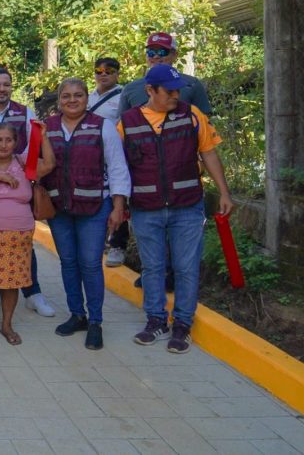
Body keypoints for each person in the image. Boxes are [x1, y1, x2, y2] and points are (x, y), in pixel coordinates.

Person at [121, 65, 233, 354]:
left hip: (187, 206)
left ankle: (182, 324)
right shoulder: (127, 123)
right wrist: (118, 206)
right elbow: (119, 168)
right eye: (168, 91)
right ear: (150, 91)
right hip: (146, 208)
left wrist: (223, 192)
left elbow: (208, 152)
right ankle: (156, 320)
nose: (175, 95)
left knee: (186, 268)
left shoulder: (192, 115)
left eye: (177, 90)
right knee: (153, 268)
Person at [42, 78, 130, 350]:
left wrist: (118, 206)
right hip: (59, 208)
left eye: (77, 95)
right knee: (68, 262)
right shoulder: (47, 128)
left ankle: (96, 322)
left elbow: (117, 167)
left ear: (86, 98)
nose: (72, 100)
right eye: (66, 96)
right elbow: (37, 162)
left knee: (90, 263)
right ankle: (76, 314)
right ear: (59, 100)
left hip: (94, 206)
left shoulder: (103, 126)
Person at [0, 67, 56, 318]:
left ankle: (33, 292)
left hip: (19, 173)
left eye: (6, 84)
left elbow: (35, 144)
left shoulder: (24, 111)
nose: (1, 89)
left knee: (24, 247)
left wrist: (24, 168)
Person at [0, 122, 55, 346]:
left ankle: (7, 324)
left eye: (9, 140)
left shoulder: (23, 162)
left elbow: (49, 164)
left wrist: (43, 137)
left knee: (12, 281)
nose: (4, 144)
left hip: (19, 234)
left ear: (16, 143)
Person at [87, 58, 128, 268]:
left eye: (109, 71)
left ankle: (117, 245)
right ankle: (103, 238)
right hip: (89, 157)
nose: (103, 74)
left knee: (117, 199)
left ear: (117, 74)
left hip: (114, 155)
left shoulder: (124, 96)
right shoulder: (88, 96)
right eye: (99, 70)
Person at [117, 33, 213, 118]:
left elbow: (205, 121)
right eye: (151, 52)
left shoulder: (192, 84)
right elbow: (121, 125)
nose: (156, 56)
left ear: (175, 55)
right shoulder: (130, 88)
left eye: (162, 52)